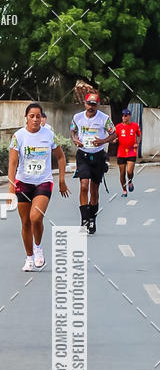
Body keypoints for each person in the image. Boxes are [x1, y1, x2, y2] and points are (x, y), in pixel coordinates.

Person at [8, 102, 69, 271]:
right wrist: (11, 188)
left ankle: (38, 247)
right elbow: (13, 163)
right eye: (31, 116)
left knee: (36, 217)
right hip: (23, 181)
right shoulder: (18, 136)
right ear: (26, 118)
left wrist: (62, 180)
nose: (35, 119)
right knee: (25, 222)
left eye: (38, 116)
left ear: (42, 118)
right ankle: (29, 257)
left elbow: (61, 157)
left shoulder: (49, 135)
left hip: (43, 181)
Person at [70, 93, 115, 234]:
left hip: (98, 156)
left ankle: (92, 218)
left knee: (94, 190)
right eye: (89, 104)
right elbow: (73, 131)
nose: (91, 107)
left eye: (94, 104)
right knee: (84, 186)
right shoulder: (77, 117)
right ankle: (84, 218)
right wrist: (75, 139)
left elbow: (113, 134)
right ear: (85, 103)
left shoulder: (104, 119)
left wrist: (102, 141)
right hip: (83, 155)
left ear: (98, 105)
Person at [114, 108, 140, 197]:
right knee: (122, 173)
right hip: (121, 153)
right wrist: (114, 139)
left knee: (129, 171)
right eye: (123, 115)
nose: (124, 117)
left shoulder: (135, 126)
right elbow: (114, 136)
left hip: (132, 152)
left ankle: (130, 181)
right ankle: (124, 190)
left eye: (126, 115)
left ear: (129, 116)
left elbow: (139, 135)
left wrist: (137, 143)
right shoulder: (118, 127)